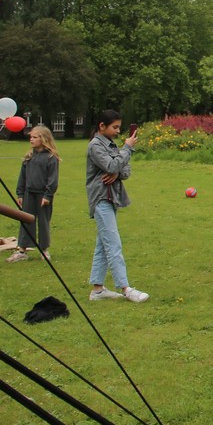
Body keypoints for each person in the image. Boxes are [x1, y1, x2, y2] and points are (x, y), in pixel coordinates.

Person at [85, 109, 149, 303]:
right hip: (101, 199)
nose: (118, 131)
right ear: (101, 126)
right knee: (113, 244)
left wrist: (116, 172)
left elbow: (125, 171)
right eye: (114, 127)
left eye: (119, 127)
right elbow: (112, 165)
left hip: (112, 198)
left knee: (103, 245)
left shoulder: (112, 145)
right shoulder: (95, 146)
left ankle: (98, 290)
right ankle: (126, 288)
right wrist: (126, 149)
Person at [11, 124, 60, 263]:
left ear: (43, 139)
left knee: (43, 222)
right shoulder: (29, 157)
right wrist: (20, 194)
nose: (31, 139)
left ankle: (44, 249)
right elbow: (22, 177)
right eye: (30, 137)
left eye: (34, 137)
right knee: (26, 220)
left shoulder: (51, 158)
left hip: (43, 195)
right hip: (28, 194)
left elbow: (53, 179)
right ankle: (22, 250)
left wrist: (48, 195)